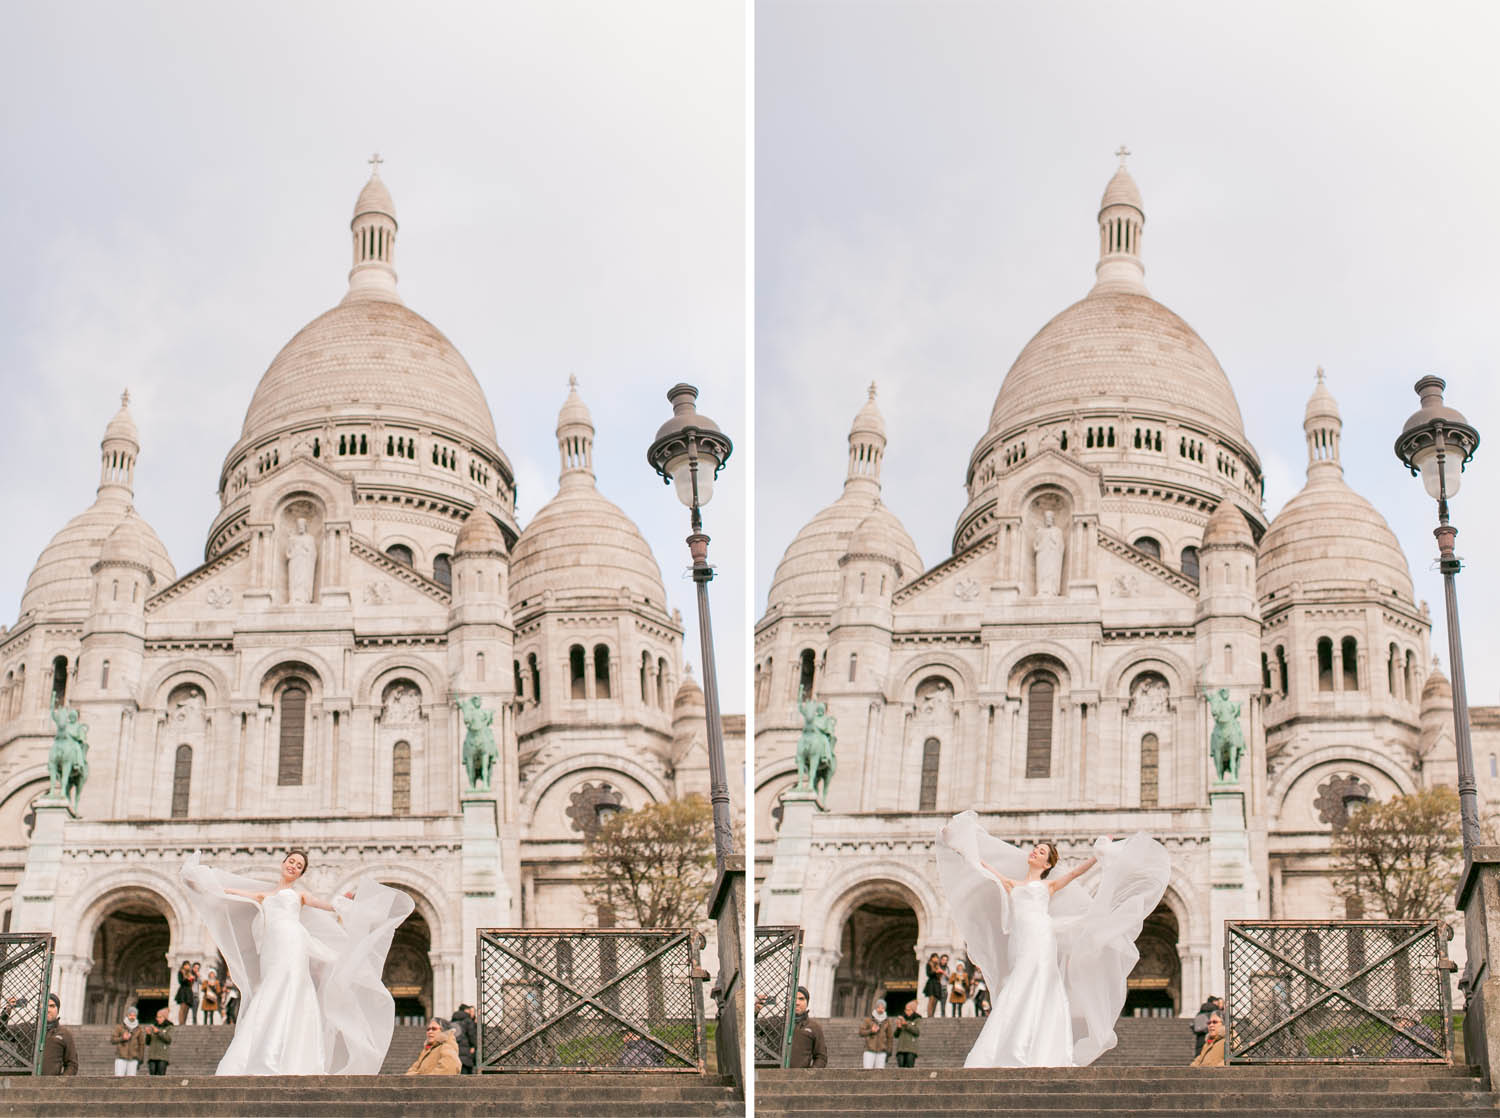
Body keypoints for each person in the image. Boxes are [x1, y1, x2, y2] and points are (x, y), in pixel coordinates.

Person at [936, 810, 1171, 1067]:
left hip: (1041, 938)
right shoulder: (1013, 884)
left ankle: (1032, 1049)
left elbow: (1074, 874)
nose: (1035, 852)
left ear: (1047, 865)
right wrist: (961, 847)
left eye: (1041, 852)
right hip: (1021, 942)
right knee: (1020, 985)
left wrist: (1098, 854)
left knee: (1037, 984)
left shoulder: (1047, 886)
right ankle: (1013, 1046)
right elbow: (984, 868)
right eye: (1035, 849)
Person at [180, 848, 414, 1074]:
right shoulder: (264, 895)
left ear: (301, 874)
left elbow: (328, 907)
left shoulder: (299, 895)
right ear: (283, 863)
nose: (294, 866)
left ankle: (275, 1056)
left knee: (289, 986)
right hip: (272, 949)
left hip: (292, 942)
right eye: (291, 861)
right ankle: (261, 1052)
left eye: (299, 866)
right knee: (271, 988)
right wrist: (202, 886)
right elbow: (230, 893)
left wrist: (348, 902)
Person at [788, 987, 828, 1069]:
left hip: (799, 1078)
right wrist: (755, 1012)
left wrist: (809, 1075)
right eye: (794, 998)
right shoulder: (777, 1022)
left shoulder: (814, 1027)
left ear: (807, 1003)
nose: (797, 1002)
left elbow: (821, 1057)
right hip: (774, 1076)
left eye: (801, 999)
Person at [41, 995, 78, 1076]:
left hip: (50, 1085)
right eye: (45, 1006)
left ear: (58, 1010)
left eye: (52, 1006)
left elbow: (72, 1064)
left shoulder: (65, 1034)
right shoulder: (27, 1028)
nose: (48, 1010)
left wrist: (60, 1083)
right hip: (23, 1084)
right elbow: (6, 1033)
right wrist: (7, 1012)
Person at [859, 998, 893, 1069]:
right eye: (879, 1007)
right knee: (867, 1070)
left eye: (882, 1007)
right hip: (869, 1050)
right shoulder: (868, 1020)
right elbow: (861, 1032)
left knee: (879, 1073)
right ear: (876, 1007)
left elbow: (890, 1037)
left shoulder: (887, 1021)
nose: (880, 1009)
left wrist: (889, 1050)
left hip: (882, 1051)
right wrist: (871, 1031)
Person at [111, 1005, 146, 1075]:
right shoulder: (120, 1027)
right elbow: (113, 1040)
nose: (132, 1017)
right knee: (119, 1077)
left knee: (131, 1079)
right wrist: (122, 1038)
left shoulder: (139, 1029)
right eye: (130, 1015)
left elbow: (141, 1044)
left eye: (134, 1015)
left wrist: (141, 1058)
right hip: (121, 1056)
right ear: (127, 1015)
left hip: (133, 1057)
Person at [144, 1006, 173, 1075]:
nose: (158, 1019)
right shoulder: (154, 1027)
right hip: (152, 1056)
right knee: (152, 1075)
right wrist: (148, 1034)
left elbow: (168, 1039)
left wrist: (158, 1032)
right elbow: (147, 1042)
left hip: (162, 1057)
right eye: (157, 1017)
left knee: (161, 1076)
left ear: (165, 1018)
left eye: (160, 1017)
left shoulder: (169, 1027)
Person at [450, 1003, 477, 1073]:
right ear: (466, 1010)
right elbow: (472, 1035)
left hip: (454, 1051)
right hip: (466, 1052)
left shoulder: (453, 1020)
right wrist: (474, 1045)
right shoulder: (468, 1021)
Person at [893, 1000, 921, 1068]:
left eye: (909, 1010)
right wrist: (898, 1028)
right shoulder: (902, 1019)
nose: (906, 1012)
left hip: (911, 1049)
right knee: (901, 1067)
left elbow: (917, 1032)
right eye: (906, 1010)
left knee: (909, 1068)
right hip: (901, 1048)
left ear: (913, 1010)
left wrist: (906, 1024)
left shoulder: (917, 1019)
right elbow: (895, 1035)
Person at [174, 961, 196, 1025]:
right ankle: (181, 1023)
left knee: (187, 1008)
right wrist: (188, 979)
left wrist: (192, 978)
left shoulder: (190, 973)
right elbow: (180, 981)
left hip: (189, 991)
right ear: (183, 965)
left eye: (188, 965)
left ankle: (184, 1023)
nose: (187, 966)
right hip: (183, 990)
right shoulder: (181, 972)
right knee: (182, 1007)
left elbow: (192, 983)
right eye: (186, 965)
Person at [923, 953, 943, 1018]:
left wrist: (940, 972)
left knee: (936, 1000)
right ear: (931, 958)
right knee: (931, 999)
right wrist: (935, 972)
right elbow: (928, 974)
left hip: (937, 984)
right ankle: (929, 1015)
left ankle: (932, 1015)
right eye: (934, 958)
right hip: (931, 983)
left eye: (937, 958)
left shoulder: (938, 966)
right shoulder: (929, 964)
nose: (936, 959)